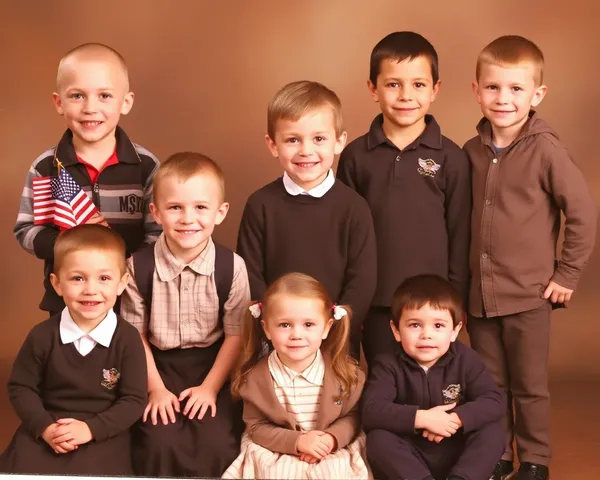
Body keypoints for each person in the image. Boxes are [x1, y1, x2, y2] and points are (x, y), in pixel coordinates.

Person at [465, 35, 597, 480]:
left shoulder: (546, 150)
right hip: (480, 297)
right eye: (494, 88)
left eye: (516, 89)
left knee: (529, 386)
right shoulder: (470, 152)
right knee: (489, 385)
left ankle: (535, 459)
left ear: (537, 94)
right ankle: (498, 453)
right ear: (476, 90)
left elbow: (581, 213)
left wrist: (568, 273)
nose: (504, 99)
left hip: (529, 295)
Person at [337, 31, 471, 365]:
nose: (406, 95)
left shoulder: (451, 158)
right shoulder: (355, 156)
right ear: (373, 89)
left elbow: (460, 233)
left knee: (427, 385)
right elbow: (346, 233)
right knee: (381, 380)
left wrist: (456, 300)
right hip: (376, 299)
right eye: (393, 84)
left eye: (419, 85)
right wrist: (354, 299)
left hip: (433, 303)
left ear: (435, 89)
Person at [120, 152, 250, 477]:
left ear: (220, 213)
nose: (187, 218)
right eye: (175, 207)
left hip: (213, 366)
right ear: (156, 212)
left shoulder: (231, 267)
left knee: (217, 443)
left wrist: (209, 388)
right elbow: (134, 335)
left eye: (200, 207)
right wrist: (156, 389)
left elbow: (237, 334)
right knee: (158, 441)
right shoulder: (139, 267)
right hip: (156, 366)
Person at [14, 42, 161, 317]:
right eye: (77, 96)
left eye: (104, 95)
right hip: (67, 301)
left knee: (125, 359)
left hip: (130, 298)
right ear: (59, 102)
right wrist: (67, 247)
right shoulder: (46, 167)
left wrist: (121, 271)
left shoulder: (146, 167)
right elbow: (26, 230)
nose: (90, 108)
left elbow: (158, 235)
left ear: (126, 102)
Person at [237, 80, 377, 360]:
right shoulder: (260, 204)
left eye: (319, 139)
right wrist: (277, 323)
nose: (305, 151)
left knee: (334, 403)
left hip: (336, 337)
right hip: (277, 339)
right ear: (273, 144)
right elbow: (249, 272)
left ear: (339, 141)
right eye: (292, 139)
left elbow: (362, 280)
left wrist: (338, 323)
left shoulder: (354, 207)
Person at [0, 224, 147, 475]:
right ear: (57, 284)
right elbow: (21, 388)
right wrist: (46, 428)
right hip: (48, 425)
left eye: (104, 278)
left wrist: (90, 430)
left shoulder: (128, 339)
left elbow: (133, 400)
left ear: (122, 283)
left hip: (103, 431)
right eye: (78, 278)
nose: (90, 289)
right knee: (20, 469)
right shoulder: (42, 335)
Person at [223, 272, 370, 479]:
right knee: (277, 473)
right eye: (285, 325)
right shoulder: (255, 379)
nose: (296, 335)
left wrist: (331, 439)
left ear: (326, 328)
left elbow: (352, 417)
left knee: (334, 472)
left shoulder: (345, 374)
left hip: (330, 448)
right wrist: (297, 442)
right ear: (266, 329)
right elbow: (256, 427)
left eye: (308, 325)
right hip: (277, 448)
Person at [362, 274, 504, 480]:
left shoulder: (466, 359)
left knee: (492, 433)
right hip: (410, 454)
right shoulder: (387, 363)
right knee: (378, 440)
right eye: (414, 325)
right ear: (396, 330)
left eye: (438, 326)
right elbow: (371, 410)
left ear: (455, 331)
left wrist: (455, 419)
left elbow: (494, 400)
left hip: (455, 446)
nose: (426, 335)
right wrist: (424, 418)